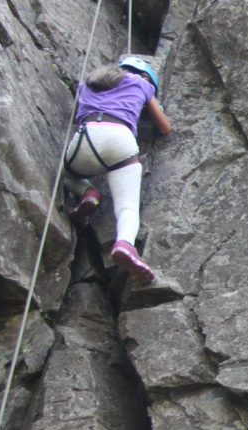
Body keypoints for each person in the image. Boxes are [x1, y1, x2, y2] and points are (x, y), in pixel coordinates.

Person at [63, 55, 171, 284]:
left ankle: (87, 192)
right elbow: (164, 127)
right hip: (120, 139)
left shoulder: (88, 83)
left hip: (87, 134)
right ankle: (125, 244)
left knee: (67, 174)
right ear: (146, 77)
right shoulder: (142, 84)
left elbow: (74, 115)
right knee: (127, 207)